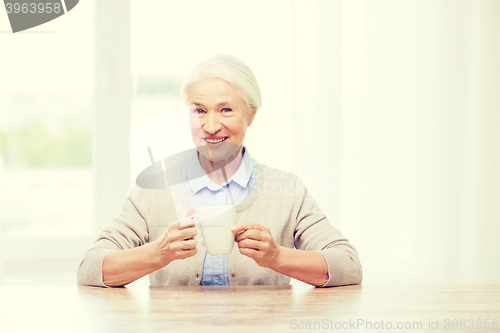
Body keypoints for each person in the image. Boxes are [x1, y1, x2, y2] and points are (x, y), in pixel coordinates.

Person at [77, 54, 362, 287]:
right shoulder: (155, 188)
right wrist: (158, 253)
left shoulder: (287, 190)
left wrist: (277, 257)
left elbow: (348, 266)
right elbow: (90, 269)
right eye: (199, 110)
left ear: (251, 114)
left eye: (226, 110)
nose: (211, 127)